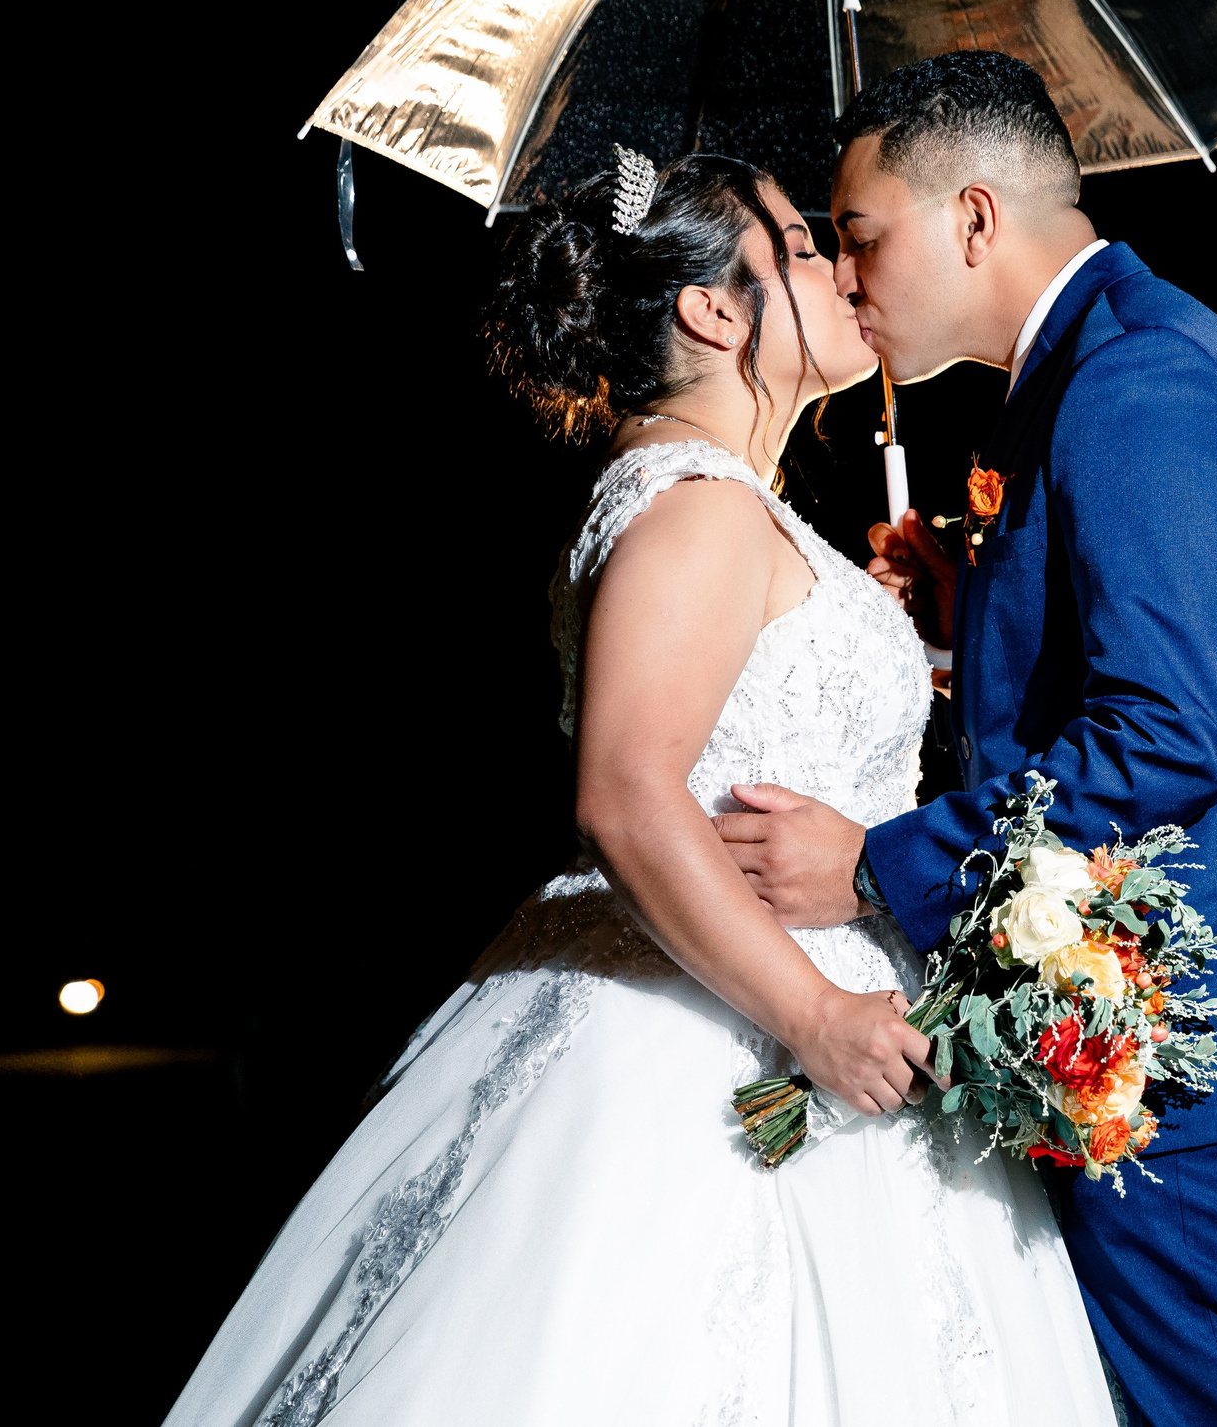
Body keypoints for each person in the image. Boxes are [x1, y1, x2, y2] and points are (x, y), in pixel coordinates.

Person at [164, 152, 1117, 1427]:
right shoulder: (696, 506)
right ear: (714, 311)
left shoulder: (717, 500)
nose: (842, 266)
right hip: (726, 1026)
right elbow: (622, 793)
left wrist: (924, 634)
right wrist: (817, 1015)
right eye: (801, 242)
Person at [716, 54, 1217, 1427]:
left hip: (1174, 1031)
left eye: (861, 236)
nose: (847, 279)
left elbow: (1165, 736)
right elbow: (1141, 671)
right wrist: (968, 611)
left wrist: (874, 865)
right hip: (1134, 1016)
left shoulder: (1141, 387)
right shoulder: (1103, 371)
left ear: (975, 217)